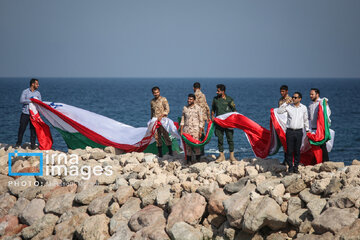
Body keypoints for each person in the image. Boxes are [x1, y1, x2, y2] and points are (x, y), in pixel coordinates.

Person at [277, 92, 309, 173]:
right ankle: (290, 167)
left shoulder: (304, 108)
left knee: (297, 150)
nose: (293, 99)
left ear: (300, 99)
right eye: (293, 97)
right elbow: (279, 111)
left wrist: (307, 130)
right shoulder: (289, 107)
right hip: (290, 131)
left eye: (295, 97)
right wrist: (285, 103)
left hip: (299, 131)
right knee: (289, 150)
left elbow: (305, 119)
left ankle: (296, 167)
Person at [211, 84, 237, 163]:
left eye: (218, 91)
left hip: (228, 123)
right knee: (220, 139)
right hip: (219, 122)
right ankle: (221, 156)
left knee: (230, 139)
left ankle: (232, 156)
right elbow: (213, 110)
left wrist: (234, 121)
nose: (216, 92)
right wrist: (212, 116)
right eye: (217, 90)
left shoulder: (229, 99)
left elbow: (234, 110)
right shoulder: (215, 99)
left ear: (223, 91)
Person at [16, 78, 42, 149]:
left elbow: (40, 103)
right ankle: (18, 144)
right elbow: (21, 100)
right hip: (25, 113)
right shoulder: (25, 92)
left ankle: (33, 146)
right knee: (22, 129)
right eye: (37, 84)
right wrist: (31, 101)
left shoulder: (38, 93)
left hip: (34, 115)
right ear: (32, 84)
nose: (38, 85)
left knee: (33, 130)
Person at [308, 88, 331, 162]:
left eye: (312, 94)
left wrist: (325, 103)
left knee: (322, 145)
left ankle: (326, 162)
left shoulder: (321, 103)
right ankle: (315, 161)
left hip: (319, 128)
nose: (310, 96)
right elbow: (309, 117)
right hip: (312, 128)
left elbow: (327, 112)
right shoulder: (310, 105)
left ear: (317, 94)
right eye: (310, 94)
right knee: (314, 146)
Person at [180, 94, 203, 163]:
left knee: (196, 145)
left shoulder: (198, 108)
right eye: (188, 99)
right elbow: (182, 120)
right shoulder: (185, 108)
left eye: (190, 99)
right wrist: (181, 130)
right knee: (188, 146)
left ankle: (198, 160)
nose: (189, 100)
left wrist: (200, 131)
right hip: (186, 130)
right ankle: (189, 161)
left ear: (194, 100)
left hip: (195, 130)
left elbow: (201, 120)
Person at [150, 86, 172, 157]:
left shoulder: (163, 99)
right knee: (157, 137)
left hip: (163, 121)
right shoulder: (152, 102)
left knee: (166, 136)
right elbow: (152, 112)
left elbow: (167, 109)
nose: (156, 94)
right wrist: (151, 121)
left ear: (159, 92)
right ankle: (160, 154)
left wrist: (162, 116)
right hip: (155, 122)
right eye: (154, 93)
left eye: (157, 92)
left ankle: (170, 152)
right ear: (153, 93)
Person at [193, 82, 210, 155]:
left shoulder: (193, 96)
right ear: (200, 88)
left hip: (195, 117)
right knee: (201, 133)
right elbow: (207, 106)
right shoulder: (203, 95)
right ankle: (202, 150)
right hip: (203, 117)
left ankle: (196, 151)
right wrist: (208, 117)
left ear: (193, 88)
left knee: (195, 134)